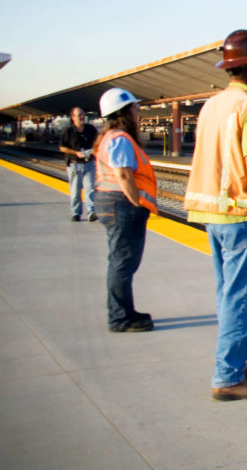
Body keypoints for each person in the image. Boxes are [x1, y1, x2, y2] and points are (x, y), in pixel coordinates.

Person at [184, 29, 247, 401]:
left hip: (213, 214)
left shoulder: (211, 106)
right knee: (242, 298)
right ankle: (227, 376)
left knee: (229, 294)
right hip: (243, 214)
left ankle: (236, 363)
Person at [93, 88, 158, 333]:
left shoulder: (109, 137)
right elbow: (123, 174)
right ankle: (120, 317)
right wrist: (136, 202)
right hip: (122, 205)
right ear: (124, 113)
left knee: (120, 261)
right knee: (122, 263)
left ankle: (123, 312)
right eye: (135, 108)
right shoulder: (120, 139)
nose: (138, 113)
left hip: (111, 202)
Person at [60, 106, 98, 221]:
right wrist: (76, 153)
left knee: (90, 188)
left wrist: (94, 150)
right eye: (79, 115)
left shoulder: (91, 129)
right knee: (75, 191)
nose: (82, 117)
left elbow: (98, 142)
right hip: (74, 164)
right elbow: (62, 147)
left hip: (89, 164)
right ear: (73, 117)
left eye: (83, 114)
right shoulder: (68, 131)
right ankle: (76, 213)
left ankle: (91, 212)